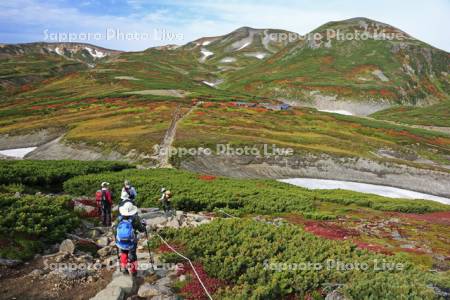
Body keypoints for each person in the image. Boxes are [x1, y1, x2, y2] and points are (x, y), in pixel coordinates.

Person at [113, 201, 146, 276]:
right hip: (131, 240)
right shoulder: (135, 218)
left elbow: (114, 228)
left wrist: (116, 237)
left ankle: (124, 268)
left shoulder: (119, 218)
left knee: (124, 253)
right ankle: (134, 271)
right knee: (132, 254)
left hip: (121, 240)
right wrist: (144, 225)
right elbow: (141, 229)